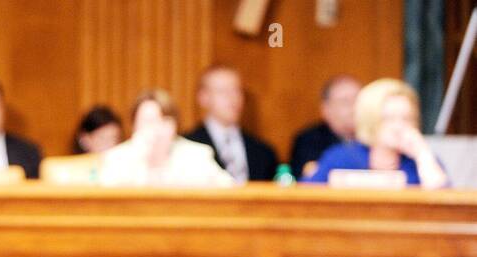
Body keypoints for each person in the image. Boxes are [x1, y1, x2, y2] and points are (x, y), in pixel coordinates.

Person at [303, 78, 448, 189]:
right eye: (389, 119)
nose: (399, 126)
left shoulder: (420, 161)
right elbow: (305, 198)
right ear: (370, 120)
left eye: (407, 118)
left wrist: (423, 154)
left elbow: (446, 206)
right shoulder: (341, 158)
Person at [98, 89, 232, 187]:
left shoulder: (197, 156)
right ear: (134, 126)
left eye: (164, 120)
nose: (156, 129)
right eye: (149, 121)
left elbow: (232, 192)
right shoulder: (117, 159)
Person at [184, 64, 278, 182]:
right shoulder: (185, 147)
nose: (232, 98)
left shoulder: (263, 152)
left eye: (236, 90)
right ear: (203, 97)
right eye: (222, 91)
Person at [289, 75, 361, 179]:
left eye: (358, 100)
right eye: (345, 102)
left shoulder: (374, 140)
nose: (354, 107)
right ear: (326, 109)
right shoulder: (309, 141)